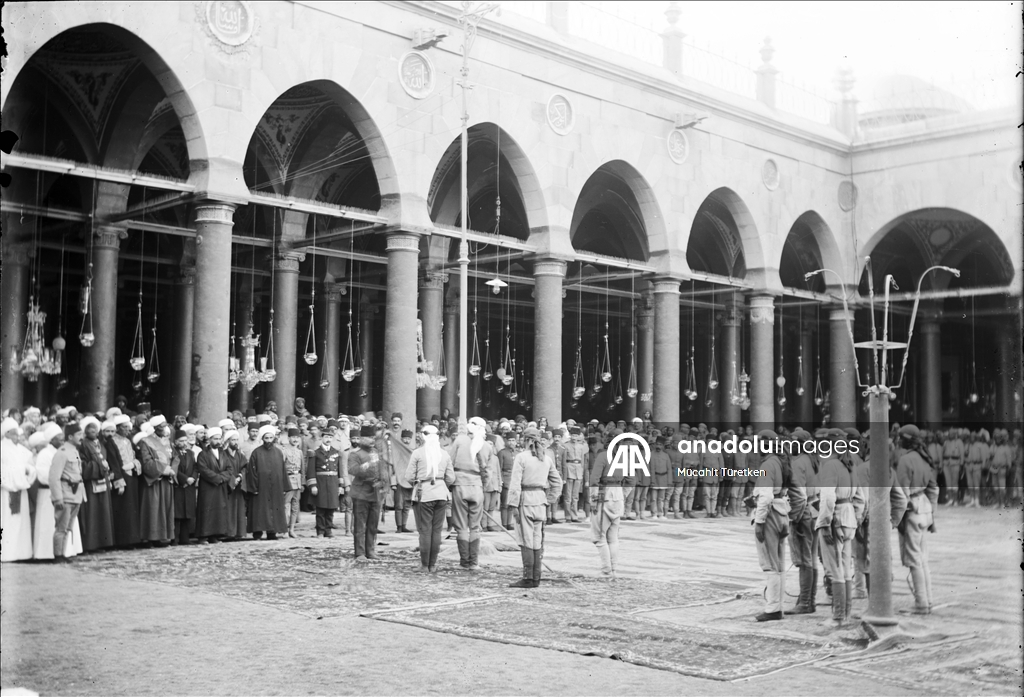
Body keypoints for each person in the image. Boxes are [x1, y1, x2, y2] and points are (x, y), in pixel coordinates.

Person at [507, 427, 563, 588]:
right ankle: (536, 577)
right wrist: (550, 499)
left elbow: (515, 484)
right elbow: (557, 482)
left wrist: (513, 504)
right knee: (537, 540)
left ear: (526, 440)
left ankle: (528, 578)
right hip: (541, 501)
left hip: (525, 500)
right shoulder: (546, 459)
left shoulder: (521, 457)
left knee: (526, 540)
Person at [815, 428, 860, 627]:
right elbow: (860, 497)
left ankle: (838, 616)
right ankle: (846, 614)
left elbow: (827, 497)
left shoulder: (830, 465)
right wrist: (856, 517)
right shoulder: (851, 464)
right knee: (846, 568)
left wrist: (825, 522)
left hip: (835, 519)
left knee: (834, 569)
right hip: (849, 517)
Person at [893, 424, 939, 614]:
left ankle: (921, 603)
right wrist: (932, 514)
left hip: (911, 510)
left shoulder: (905, 459)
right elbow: (933, 489)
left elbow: (901, 493)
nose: (898, 440)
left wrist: (897, 519)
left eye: (900, 437)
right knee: (922, 559)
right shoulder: (924, 457)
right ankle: (928, 600)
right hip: (925, 509)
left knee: (913, 560)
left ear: (906, 440)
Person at [752, 430, 791, 622]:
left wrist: (759, 522)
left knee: (770, 564)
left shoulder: (768, 464)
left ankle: (773, 608)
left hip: (770, 515)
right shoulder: (780, 462)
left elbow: (766, 496)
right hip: (781, 511)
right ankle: (778, 606)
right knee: (779, 564)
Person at [407, 425, 456, 572]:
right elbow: (451, 478)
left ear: (423, 436)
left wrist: (418, 483)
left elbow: (409, 476)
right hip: (441, 494)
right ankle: (432, 565)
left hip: (424, 493)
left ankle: (424, 565)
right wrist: (441, 484)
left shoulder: (417, 453)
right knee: (436, 531)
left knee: (425, 531)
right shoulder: (444, 454)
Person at [448, 417, 492, 569]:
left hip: (460, 485)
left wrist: (450, 484)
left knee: (461, 527)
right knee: (475, 527)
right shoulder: (487, 446)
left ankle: (464, 562)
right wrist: (482, 486)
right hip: (477, 486)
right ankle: (474, 563)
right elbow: (488, 472)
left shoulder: (460, 440)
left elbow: (450, 463)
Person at [786, 429, 819, 614]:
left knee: (805, 558)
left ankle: (805, 602)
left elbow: (799, 495)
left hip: (803, 513)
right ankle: (810, 600)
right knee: (812, 558)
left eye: (793, 442)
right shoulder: (814, 460)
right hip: (815, 511)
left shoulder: (798, 462)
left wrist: (794, 517)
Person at [244, 425, 293, 540]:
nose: (269, 440)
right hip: (261, 486)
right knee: (260, 509)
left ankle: (272, 533)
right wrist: (254, 487)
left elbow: (282, 470)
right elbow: (252, 471)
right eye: (266, 438)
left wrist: (285, 487)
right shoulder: (256, 452)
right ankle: (257, 533)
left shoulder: (278, 452)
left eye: (271, 438)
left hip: (276, 486)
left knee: (274, 509)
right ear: (262, 438)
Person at [348, 423, 389, 561]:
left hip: (375, 492)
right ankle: (360, 553)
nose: (372, 440)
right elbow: (352, 470)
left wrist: (383, 482)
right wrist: (366, 466)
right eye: (368, 437)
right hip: (361, 492)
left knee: (373, 524)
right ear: (361, 439)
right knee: (360, 524)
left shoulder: (377, 453)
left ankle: (370, 551)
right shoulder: (355, 454)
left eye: (373, 437)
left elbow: (383, 469)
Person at [48, 423, 87, 562]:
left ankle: (62, 554)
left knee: (68, 527)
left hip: (75, 495)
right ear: (70, 437)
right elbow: (54, 477)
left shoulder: (74, 451)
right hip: (65, 495)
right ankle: (58, 556)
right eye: (79, 434)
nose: (82, 437)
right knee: (61, 528)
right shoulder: (62, 453)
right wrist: (58, 498)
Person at [588, 434, 624, 578]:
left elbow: (594, 479)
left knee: (600, 537)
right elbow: (631, 479)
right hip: (618, 495)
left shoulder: (603, 456)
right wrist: (622, 494)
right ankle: (613, 569)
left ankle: (606, 570)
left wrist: (593, 499)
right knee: (613, 537)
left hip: (605, 494)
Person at [77, 417, 115, 552]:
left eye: (95, 430)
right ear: (85, 431)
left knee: (103, 511)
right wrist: (98, 467)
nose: (93, 432)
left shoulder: (100, 444)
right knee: (92, 513)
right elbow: (82, 464)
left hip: (103, 481)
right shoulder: (83, 445)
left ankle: (103, 542)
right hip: (91, 483)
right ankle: (91, 544)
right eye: (90, 430)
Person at [104, 416, 142, 548]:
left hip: (132, 476)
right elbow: (113, 462)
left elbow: (135, 455)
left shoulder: (128, 440)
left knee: (132, 509)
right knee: (122, 509)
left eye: (128, 428)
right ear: (118, 428)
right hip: (122, 477)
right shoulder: (111, 442)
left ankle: (133, 539)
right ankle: (123, 541)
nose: (128, 430)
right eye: (125, 427)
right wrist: (119, 481)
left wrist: (135, 464)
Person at [1, 417, 36, 562]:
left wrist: (28, 470)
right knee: (8, 522)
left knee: (22, 522)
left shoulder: (22, 450)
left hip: (21, 491)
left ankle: (22, 553)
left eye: (18, 433)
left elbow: (31, 467)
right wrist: (21, 471)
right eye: (14, 433)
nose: (17, 436)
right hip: (6, 492)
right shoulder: (2, 449)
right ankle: (7, 554)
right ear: (7, 433)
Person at [139, 417, 175, 546]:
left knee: (166, 508)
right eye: (162, 426)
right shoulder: (146, 442)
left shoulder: (168, 441)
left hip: (167, 480)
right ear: (155, 428)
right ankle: (151, 537)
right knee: (153, 508)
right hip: (155, 480)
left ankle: (164, 537)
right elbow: (146, 461)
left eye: (165, 425)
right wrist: (162, 469)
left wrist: (172, 470)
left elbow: (175, 458)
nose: (165, 428)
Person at [306, 430, 345, 538]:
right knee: (320, 508)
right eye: (326, 437)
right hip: (320, 483)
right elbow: (310, 470)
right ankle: (320, 531)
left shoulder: (336, 452)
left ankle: (328, 530)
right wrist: (313, 485)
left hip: (333, 483)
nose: (328, 439)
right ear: (322, 438)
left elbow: (340, 470)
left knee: (331, 508)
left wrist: (340, 486)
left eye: (330, 437)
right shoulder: (315, 452)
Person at [195, 427, 231, 543]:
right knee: (207, 510)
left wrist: (222, 478)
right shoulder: (203, 454)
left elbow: (229, 469)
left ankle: (214, 535)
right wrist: (218, 478)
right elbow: (203, 470)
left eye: (219, 439)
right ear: (210, 440)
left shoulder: (223, 453)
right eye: (215, 439)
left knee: (218, 511)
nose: (218, 441)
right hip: (208, 487)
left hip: (220, 487)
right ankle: (203, 536)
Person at [171, 430, 198, 545]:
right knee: (178, 514)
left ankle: (185, 538)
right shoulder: (173, 453)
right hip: (179, 486)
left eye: (185, 441)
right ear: (176, 442)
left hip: (189, 487)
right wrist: (185, 479)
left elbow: (195, 467)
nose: (184, 443)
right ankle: (175, 539)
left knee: (188, 513)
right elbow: (174, 469)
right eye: (181, 441)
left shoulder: (190, 453)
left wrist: (193, 478)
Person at [220, 430, 248, 540]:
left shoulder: (240, 455)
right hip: (227, 486)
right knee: (228, 508)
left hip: (239, 486)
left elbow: (245, 467)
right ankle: (228, 533)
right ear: (228, 441)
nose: (235, 442)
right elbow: (223, 469)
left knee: (239, 508)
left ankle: (238, 533)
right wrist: (232, 480)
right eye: (233, 440)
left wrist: (240, 477)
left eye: (237, 440)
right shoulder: (222, 454)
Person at [280, 427, 306, 537]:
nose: (295, 439)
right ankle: (284, 530)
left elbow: (303, 469)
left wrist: (303, 483)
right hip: (288, 481)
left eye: (297, 437)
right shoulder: (284, 451)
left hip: (298, 481)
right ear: (288, 438)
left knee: (295, 506)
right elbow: (281, 468)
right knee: (286, 505)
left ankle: (291, 529)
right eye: (293, 437)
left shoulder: (299, 452)